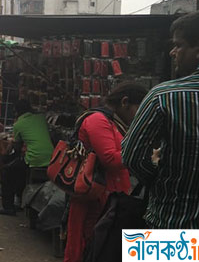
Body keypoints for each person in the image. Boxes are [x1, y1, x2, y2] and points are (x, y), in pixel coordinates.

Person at [123, 9, 199, 229]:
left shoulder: (163, 96)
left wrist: (160, 180)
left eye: (178, 45)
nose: (173, 52)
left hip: (171, 224)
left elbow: (132, 157)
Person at [64, 83, 148, 262]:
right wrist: (144, 155)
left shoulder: (115, 123)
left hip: (111, 196)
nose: (140, 116)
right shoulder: (98, 120)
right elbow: (109, 158)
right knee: (93, 246)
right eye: (139, 109)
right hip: (96, 197)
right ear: (125, 102)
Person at [0, 99, 53, 216]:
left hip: (35, 160)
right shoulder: (41, 118)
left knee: (7, 171)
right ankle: (20, 200)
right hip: (52, 157)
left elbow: (16, 147)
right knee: (18, 169)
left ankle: (8, 207)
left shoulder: (19, 124)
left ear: (16, 111)